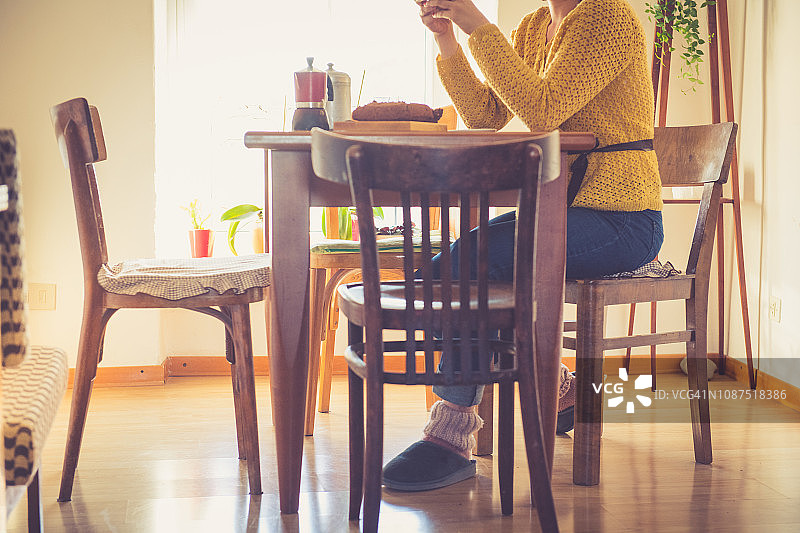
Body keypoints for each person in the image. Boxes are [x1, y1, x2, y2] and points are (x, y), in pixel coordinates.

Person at [382, 0, 664, 492]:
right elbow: (485, 115)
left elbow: (542, 109)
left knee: (468, 260)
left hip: (623, 219)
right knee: (460, 262)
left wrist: (477, 24)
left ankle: (451, 434)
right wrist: (448, 38)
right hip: (560, 209)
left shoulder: (609, 16)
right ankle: (559, 390)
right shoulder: (535, 25)